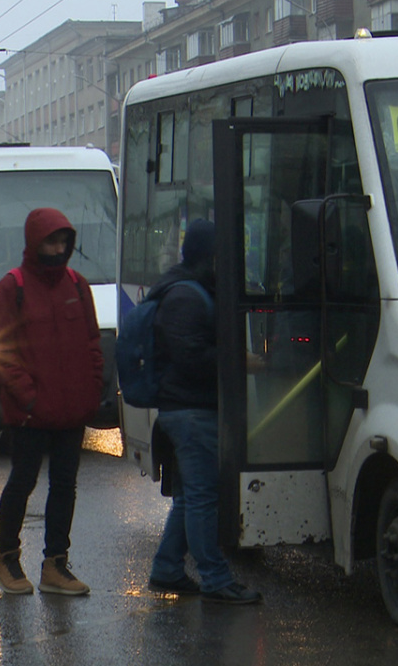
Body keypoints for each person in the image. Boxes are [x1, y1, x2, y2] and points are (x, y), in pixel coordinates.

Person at [0, 207, 104, 596]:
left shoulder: (77, 285)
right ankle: (7, 557)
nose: (58, 248)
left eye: (63, 242)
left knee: (65, 486)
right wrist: (29, 397)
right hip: (30, 414)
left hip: (70, 411)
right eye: (51, 241)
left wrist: (91, 389)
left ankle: (56, 565)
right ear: (35, 243)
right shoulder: (12, 287)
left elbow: (91, 343)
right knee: (23, 482)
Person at [146, 219, 264, 605]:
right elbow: (190, 357)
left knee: (188, 498)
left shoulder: (191, 289)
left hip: (187, 410)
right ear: (208, 256)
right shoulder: (186, 297)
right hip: (190, 412)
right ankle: (214, 577)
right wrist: (238, 359)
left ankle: (167, 569)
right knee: (201, 497)